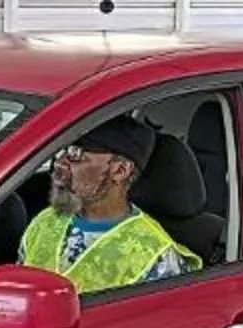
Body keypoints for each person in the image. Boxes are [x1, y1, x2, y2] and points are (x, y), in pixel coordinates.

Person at [19, 115, 202, 293]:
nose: (59, 163)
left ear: (120, 171)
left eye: (75, 154)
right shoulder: (44, 222)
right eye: (62, 151)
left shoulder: (155, 255)